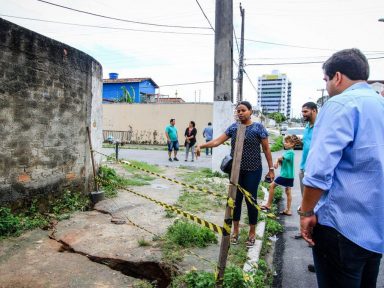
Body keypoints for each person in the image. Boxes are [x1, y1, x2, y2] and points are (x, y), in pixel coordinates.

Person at [299, 48, 384, 287]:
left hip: (341, 226)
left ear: (337, 77)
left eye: (325, 80)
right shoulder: (380, 104)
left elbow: (318, 172)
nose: (326, 86)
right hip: (375, 228)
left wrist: (306, 212)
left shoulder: (339, 105)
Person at [196, 101, 275, 247]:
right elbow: (217, 141)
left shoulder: (258, 128)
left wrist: (271, 168)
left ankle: (252, 232)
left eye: (243, 110)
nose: (240, 113)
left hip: (253, 170)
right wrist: (202, 145)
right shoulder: (233, 127)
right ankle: (236, 231)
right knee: (235, 201)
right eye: (238, 111)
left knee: (251, 201)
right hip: (235, 171)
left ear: (250, 111)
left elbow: (266, 149)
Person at [294, 102, 318, 240]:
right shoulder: (308, 127)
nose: (303, 114)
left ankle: (314, 234)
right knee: (305, 202)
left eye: (306, 112)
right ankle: (304, 230)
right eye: (302, 112)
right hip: (304, 168)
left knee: (315, 203)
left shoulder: (321, 126)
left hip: (314, 170)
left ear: (314, 111)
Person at [261, 135, 301, 216]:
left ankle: (268, 205)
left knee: (272, 186)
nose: (285, 143)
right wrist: (278, 163)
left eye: (287, 142)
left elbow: (281, 158)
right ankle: (288, 210)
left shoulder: (290, 152)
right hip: (290, 176)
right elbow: (282, 160)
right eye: (284, 142)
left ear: (292, 144)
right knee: (288, 191)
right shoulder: (288, 152)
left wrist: (276, 161)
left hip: (285, 175)